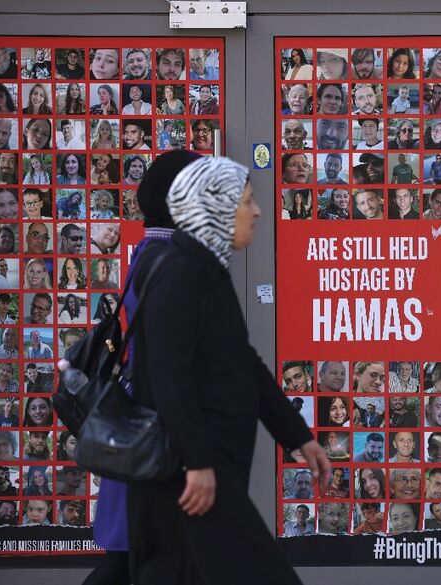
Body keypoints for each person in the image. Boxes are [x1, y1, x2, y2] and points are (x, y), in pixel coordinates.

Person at [84, 152, 331, 583]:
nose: (257, 211)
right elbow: (166, 372)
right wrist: (197, 461)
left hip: (196, 465)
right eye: (245, 200)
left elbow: (241, 360)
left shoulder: (200, 265)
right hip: (185, 466)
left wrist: (296, 435)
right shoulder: (178, 269)